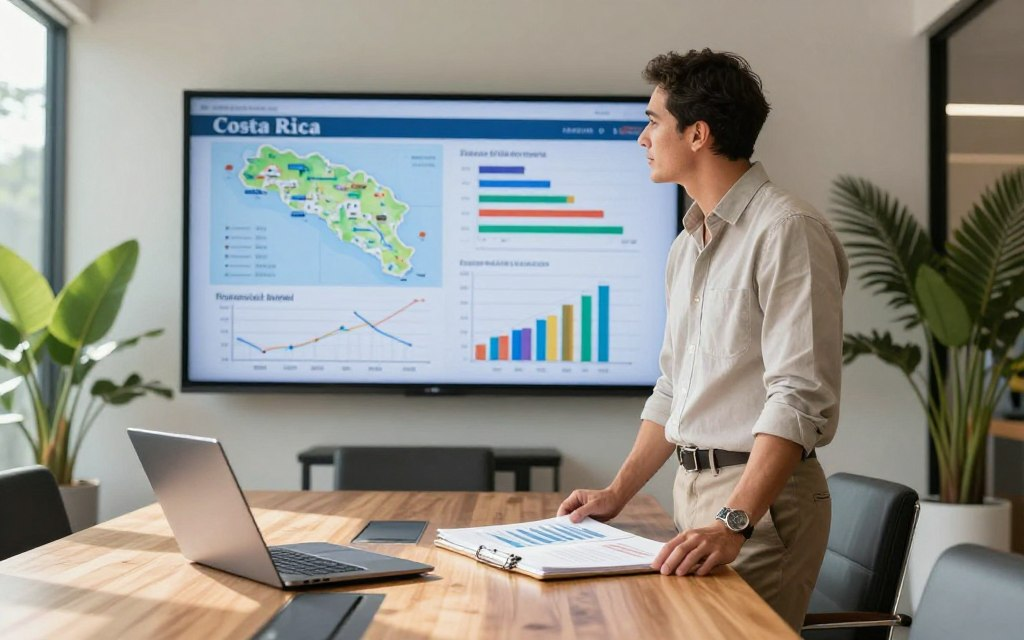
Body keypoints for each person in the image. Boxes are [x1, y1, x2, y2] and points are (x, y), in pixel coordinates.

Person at [557, 49, 849, 631]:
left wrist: (735, 520)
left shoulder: (787, 231)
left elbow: (796, 396)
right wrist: (617, 492)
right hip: (694, 493)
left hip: (761, 508)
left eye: (653, 121)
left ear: (697, 133)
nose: (643, 138)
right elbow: (676, 388)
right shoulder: (687, 244)